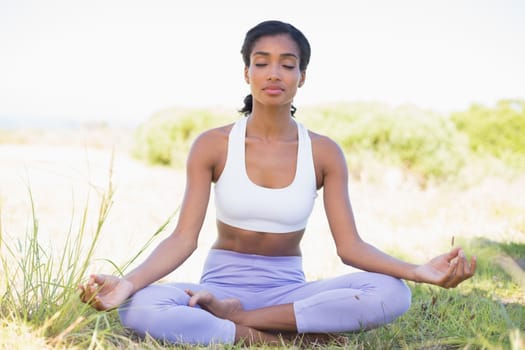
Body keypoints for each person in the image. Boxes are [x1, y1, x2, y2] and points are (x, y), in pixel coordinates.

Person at [79, 20, 476, 346]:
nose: (274, 73)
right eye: (262, 62)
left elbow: (350, 247)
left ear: (302, 76)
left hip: (289, 293)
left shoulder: (323, 152)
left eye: (287, 64)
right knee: (139, 307)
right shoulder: (213, 146)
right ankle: (275, 338)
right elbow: (183, 239)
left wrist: (418, 271)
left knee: (394, 294)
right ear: (246, 72)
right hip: (217, 286)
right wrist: (128, 283)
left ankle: (242, 321)